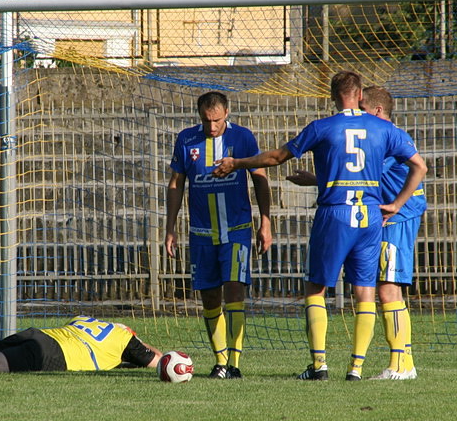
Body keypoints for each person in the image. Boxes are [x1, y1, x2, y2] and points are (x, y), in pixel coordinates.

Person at [214, 71, 427, 381]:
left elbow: (276, 158)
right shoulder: (383, 128)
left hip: (336, 214)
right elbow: (420, 165)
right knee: (366, 291)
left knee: (317, 287)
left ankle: (320, 366)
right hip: (370, 216)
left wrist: (237, 163)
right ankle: (356, 369)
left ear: (332, 97)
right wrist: (394, 204)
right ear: (357, 96)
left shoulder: (323, 127)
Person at [286, 86, 424, 380]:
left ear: (375, 111)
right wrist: (316, 179)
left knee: (387, 288)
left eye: (361, 108)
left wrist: (397, 206)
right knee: (382, 288)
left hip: (397, 217)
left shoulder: (379, 136)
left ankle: (402, 363)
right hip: (382, 215)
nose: (356, 114)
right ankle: (400, 360)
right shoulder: (381, 133)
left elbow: (358, 167)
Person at [164, 91, 272, 379]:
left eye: (217, 120)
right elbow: (176, 184)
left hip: (236, 230)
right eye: (206, 120)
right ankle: (220, 361)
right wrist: (170, 227)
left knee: (234, 289)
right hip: (201, 233)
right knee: (210, 298)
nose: (212, 126)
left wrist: (265, 221)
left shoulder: (243, 138)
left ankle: (234, 364)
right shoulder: (186, 139)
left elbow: (260, 179)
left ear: (227, 113)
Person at [0, 293, 163, 373]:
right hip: (52, 355)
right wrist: (136, 341)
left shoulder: (87, 320)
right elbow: (158, 361)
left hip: (36, 335)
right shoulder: (125, 339)